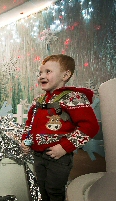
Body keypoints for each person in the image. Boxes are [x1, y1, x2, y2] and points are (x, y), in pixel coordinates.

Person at [20, 54, 99, 201]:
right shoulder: (39, 100)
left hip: (58, 157)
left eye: (48, 72)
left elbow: (90, 126)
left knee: (54, 190)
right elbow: (30, 125)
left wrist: (65, 147)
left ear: (65, 75)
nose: (42, 76)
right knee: (41, 189)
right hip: (38, 156)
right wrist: (26, 140)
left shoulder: (73, 98)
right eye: (40, 73)